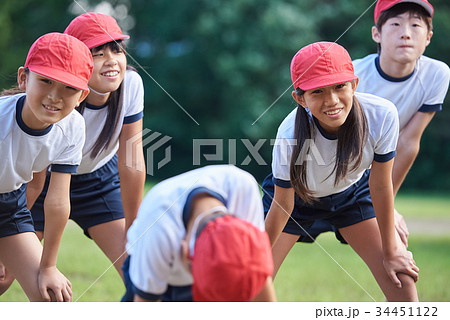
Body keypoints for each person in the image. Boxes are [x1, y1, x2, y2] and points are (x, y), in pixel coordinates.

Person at [263, 41, 419, 301]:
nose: (332, 100)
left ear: (354, 84)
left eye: (339, 86)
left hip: (352, 195)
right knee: (254, 281)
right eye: (318, 92)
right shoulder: (288, 134)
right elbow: (283, 204)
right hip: (296, 201)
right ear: (300, 98)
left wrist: (392, 251)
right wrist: (256, 262)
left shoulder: (382, 115)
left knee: (403, 279)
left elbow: (380, 185)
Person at [29, 12, 146, 281]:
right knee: (4, 276)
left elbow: (131, 160)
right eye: (98, 53)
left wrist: (134, 229)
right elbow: (36, 178)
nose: (111, 61)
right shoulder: (56, 96)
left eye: (116, 50)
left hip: (98, 183)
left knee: (138, 270)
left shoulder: (131, 84)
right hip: (41, 181)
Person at [0, 32, 92, 301]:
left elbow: (56, 200)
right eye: (46, 81)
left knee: (52, 297)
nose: (55, 96)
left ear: (82, 95)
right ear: (23, 79)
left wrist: (48, 266)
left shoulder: (73, 127)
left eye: (69, 88)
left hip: (10, 207)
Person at [352, 0, 450, 246]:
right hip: (330, 171)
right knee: (268, 238)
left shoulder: (437, 74)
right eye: (395, 23)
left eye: (416, 25)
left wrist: (387, 205)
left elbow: (408, 142)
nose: (406, 33)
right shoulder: (354, 76)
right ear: (377, 33)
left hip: (375, 175)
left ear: (428, 37)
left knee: (396, 248)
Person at [122, 165, 276, 302]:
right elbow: (146, 301)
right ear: (185, 251)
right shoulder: (159, 226)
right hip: (154, 270)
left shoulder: (243, 189)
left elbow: (256, 271)